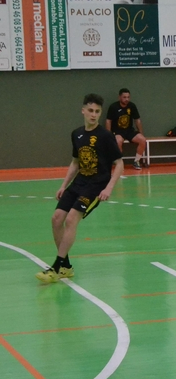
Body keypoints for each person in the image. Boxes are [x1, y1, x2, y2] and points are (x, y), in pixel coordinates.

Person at [36, 94, 124, 283]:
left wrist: (109, 188)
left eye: (97, 111)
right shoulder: (77, 134)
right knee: (56, 218)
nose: (94, 115)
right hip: (79, 183)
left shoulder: (106, 136)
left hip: (96, 186)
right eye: (90, 111)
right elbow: (75, 162)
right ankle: (66, 266)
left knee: (71, 219)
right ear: (83, 111)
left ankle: (57, 267)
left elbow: (119, 164)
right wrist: (63, 185)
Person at [105, 88, 147, 170]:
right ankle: (120, 163)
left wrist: (141, 132)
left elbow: (137, 120)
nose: (126, 99)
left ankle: (136, 161)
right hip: (117, 131)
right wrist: (108, 135)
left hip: (129, 131)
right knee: (118, 141)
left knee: (142, 140)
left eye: (128, 97)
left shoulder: (132, 106)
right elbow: (108, 121)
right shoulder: (113, 107)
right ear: (119, 97)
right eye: (124, 97)